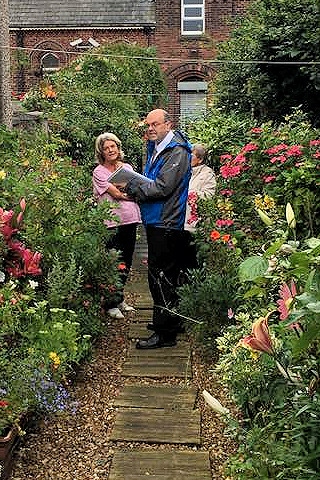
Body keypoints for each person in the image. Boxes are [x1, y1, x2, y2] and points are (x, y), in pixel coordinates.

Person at [124, 108, 192, 349]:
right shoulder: (157, 147)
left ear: (168, 124)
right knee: (159, 276)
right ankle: (166, 322)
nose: (150, 129)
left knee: (161, 277)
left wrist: (133, 188)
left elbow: (163, 187)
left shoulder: (177, 151)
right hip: (155, 219)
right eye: (148, 125)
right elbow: (152, 179)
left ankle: (165, 335)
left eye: (155, 124)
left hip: (167, 221)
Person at [92, 132, 141, 319]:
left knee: (127, 261)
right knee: (113, 262)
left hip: (131, 220)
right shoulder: (99, 172)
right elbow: (117, 193)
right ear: (101, 152)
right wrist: (124, 189)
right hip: (112, 222)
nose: (110, 150)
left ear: (118, 148)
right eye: (106, 148)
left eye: (113, 147)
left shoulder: (126, 167)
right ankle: (110, 303)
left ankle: (119, 298)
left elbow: (135, 189)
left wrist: (128, 189)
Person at [182, 143, 216, 270]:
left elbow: (209, 195)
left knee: (193, 259)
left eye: (190, 156)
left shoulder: (207, 174)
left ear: (200, 159)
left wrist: (191, 194)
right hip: (178, 221)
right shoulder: (183, 171)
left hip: (195, 223)